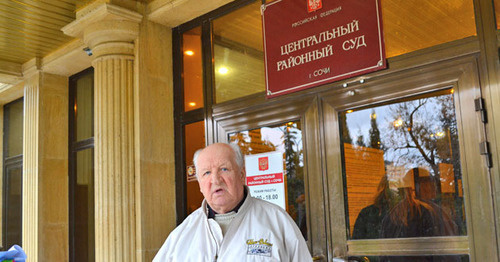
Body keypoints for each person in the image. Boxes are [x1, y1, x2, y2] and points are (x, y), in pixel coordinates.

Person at [153, 143, 312, 261]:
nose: (215, 180)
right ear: (200, 184)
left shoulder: (277, 221)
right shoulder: (182, 234)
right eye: (206, 173)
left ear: (242, 175)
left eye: (224, 169)